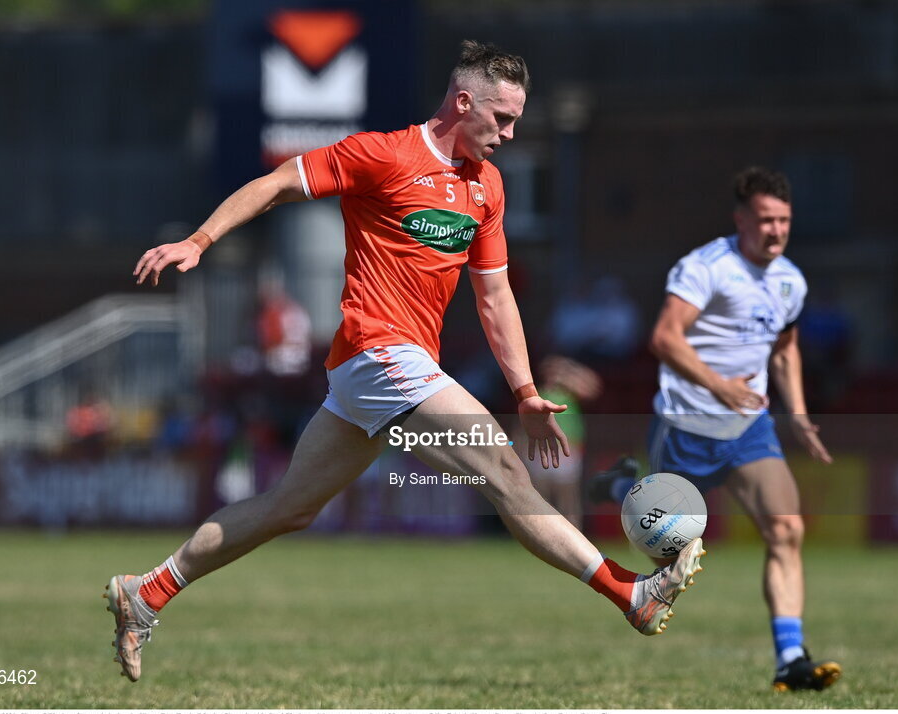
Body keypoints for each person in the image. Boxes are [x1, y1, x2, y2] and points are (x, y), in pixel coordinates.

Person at [105, 40, 704, 683]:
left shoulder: (487, 186)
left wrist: (526, 390)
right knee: (504, 470)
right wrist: (199, 240)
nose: (508, 134)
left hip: (381, 370)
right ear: (463, 101)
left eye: (515, 123)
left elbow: (494, 295)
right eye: (500, 119)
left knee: (289, 508)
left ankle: (147, 591)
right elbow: (278, 183)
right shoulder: (382, 154)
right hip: (377, 350)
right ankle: (630, 595)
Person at [589, 167, 839, 692]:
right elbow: (664, 337)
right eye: (766, 220)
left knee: (787, 529)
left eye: (784, 221)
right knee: (663, 552)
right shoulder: (706, 267)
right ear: (741, 220)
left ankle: (791, 658)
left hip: (750, 427)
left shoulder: (790, 279)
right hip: (684, 426)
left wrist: (795, 414)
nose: (775, 231)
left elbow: (786, 347)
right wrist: (718, 385)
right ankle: (619, 485)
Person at [521, 355, 602, 529]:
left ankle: (575, 533)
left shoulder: (570, 393)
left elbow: (593, 387)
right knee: (542, 498)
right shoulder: (537, 394)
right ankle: (542, 533)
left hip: (567, 451)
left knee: (568, 499)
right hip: (542, 452)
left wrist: (570, 373)